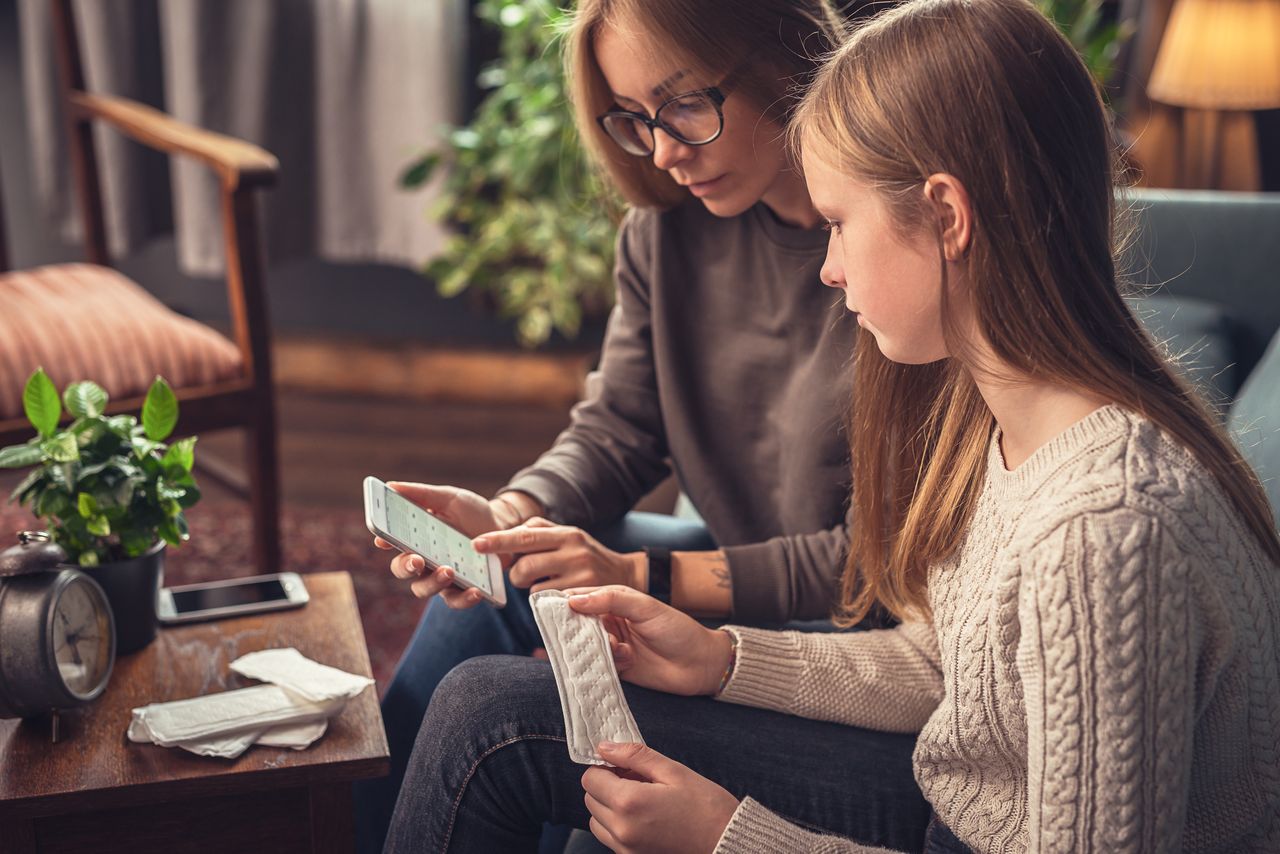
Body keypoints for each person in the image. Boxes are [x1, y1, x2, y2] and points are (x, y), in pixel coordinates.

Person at [383, 0, 1280, 850]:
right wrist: (717, 658)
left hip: (904, 725)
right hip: (942, 770)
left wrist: (729, 838)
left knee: (493, 718)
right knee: (492, 664)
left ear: (945, 215)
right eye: (631, 118)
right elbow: (946, 664)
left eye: (840, 225)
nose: (828, 268)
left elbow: (905, 613)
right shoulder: (1015, 424)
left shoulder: (1096, 527)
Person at [352, 2, 906, 851]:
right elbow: (617, 429)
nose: (663, 150)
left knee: (527, 677)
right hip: (726, 573)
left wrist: (643, 572)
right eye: (635, 120)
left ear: (781, 53)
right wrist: (510, 516)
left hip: (854, 642)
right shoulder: (665, 232)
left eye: (686, 104)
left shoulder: (896, 260)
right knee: (500, 589)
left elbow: (871, 565)